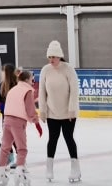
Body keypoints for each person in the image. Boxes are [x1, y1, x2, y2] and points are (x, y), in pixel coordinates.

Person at [39, 40, 80, 184]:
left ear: (60, 56)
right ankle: (49, 168)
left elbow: (74, 91)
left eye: (54, 57)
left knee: (68, 138)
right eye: (49, 57)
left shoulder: (68, 69)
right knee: (53, 139)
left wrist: (72, 109)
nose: (51, 60)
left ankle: (75, 168)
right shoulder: (45, 70)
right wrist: (42, 111)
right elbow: (42, 92)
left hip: (68, 112)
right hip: (52, 112)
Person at [0, 70, 42, 186]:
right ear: (26, 80)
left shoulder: (13, 89)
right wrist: (36, 122)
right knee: (22, 148)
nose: (33, 81)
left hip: (7, 120)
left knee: (5, 147)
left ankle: (0, 172)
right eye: (32, 79)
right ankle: (20, 172)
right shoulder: (27, 91)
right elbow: (30, 109)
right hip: (18, 121)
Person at [0, 63, 18, 166]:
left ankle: (20, 158)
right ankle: (9, 157)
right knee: (6, 138)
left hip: (15, 116)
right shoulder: (2, 85)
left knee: (15, 137)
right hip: (5, 116)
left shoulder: (16, 85)